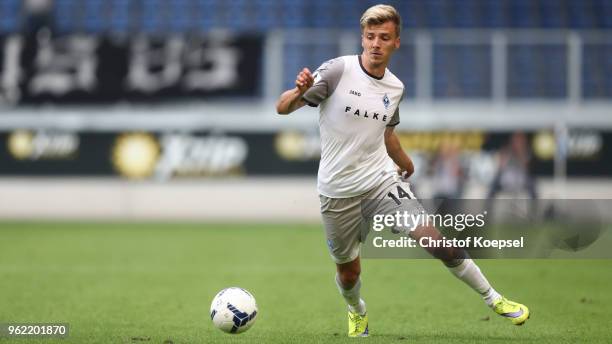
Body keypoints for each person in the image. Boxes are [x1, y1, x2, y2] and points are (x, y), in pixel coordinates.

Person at [276, 4, 529, 337]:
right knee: (349, 274)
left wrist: (405, 163)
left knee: (436, 241)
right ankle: (356, 310)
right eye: (370, 37)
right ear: (362, 39)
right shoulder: (338, 72)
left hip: (381, 183)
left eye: (384, 37)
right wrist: (299, 89)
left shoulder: (395, 88)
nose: (376, 44)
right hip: (337, 191)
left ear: (396, 42)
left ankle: (494, 298)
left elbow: (387, 133)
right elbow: (283, 108)